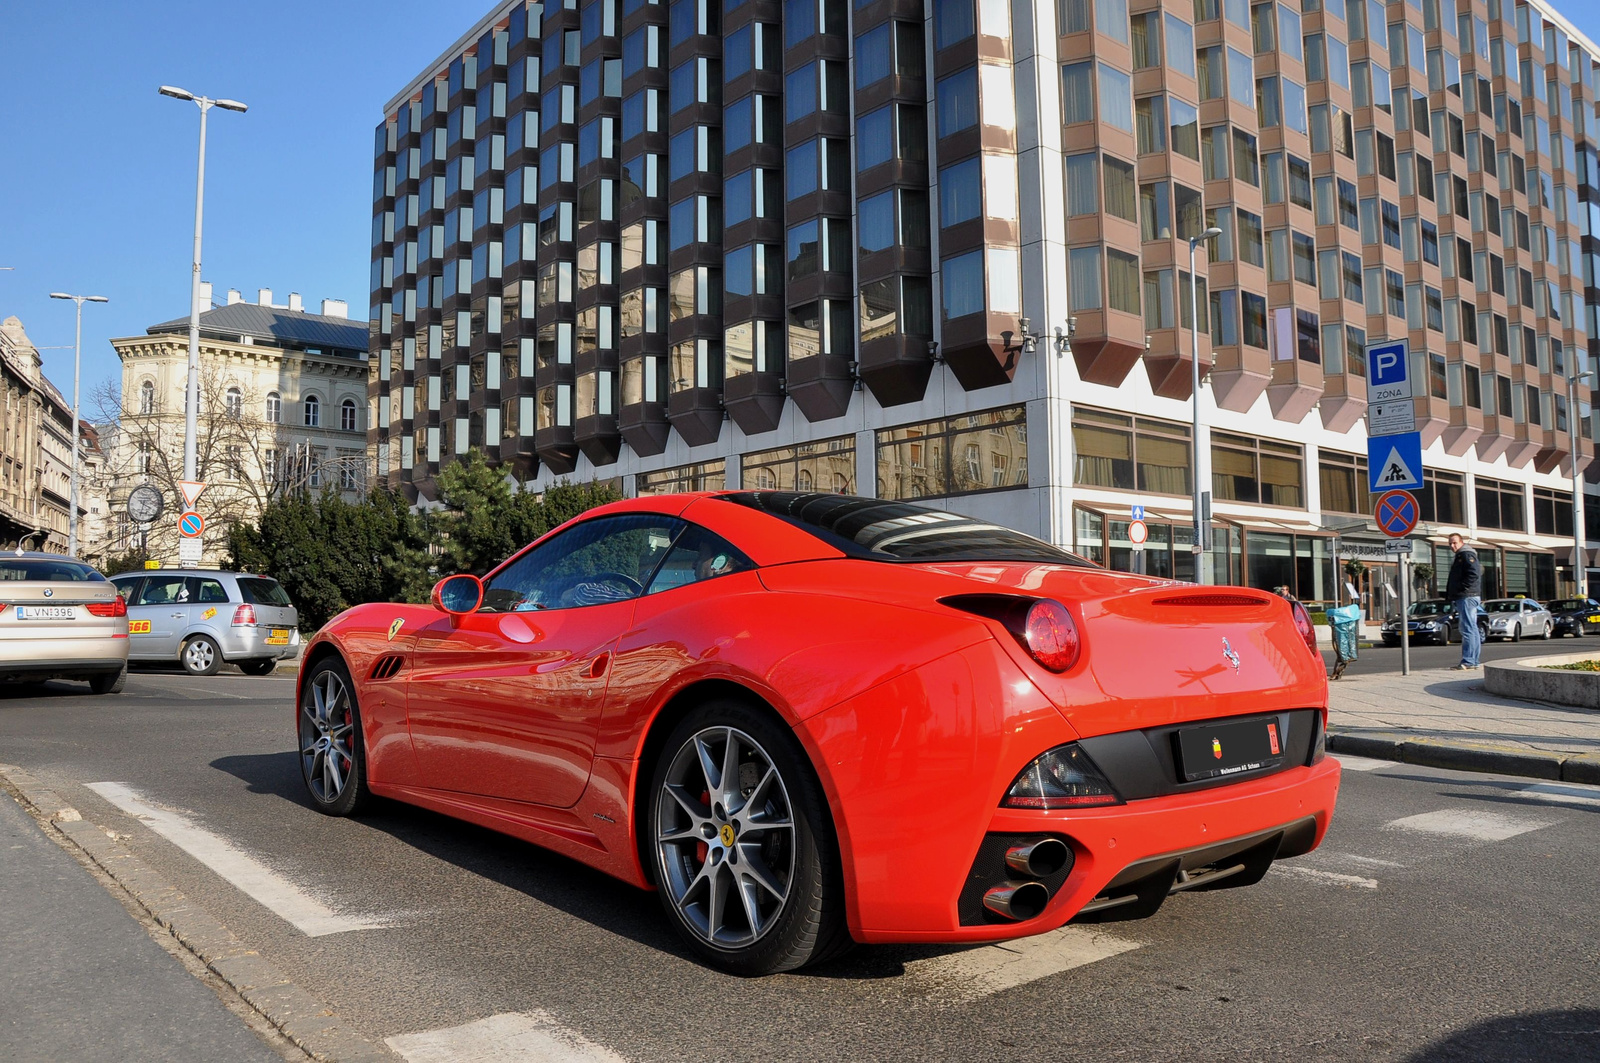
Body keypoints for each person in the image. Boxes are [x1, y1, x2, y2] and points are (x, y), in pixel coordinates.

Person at [1445, 532, 1483, 670]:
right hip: (1467, 595)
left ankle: (1468, 661)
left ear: (1461, 542)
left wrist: (1462, 588)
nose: (1452, 546)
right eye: (1450, 543)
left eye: (1454, 542)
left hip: (1466, 596)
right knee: (1471, 628)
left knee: (1467, 628)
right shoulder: (1463, 555)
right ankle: (1473, 661)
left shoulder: (1465, 555)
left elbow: (1474, 573)